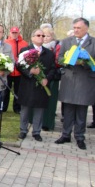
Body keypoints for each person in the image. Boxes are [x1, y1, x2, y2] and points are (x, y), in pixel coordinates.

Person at [55, 17, 95, 150]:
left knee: (81, 111)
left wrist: (85, 63)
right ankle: (65, 135)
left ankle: (80, 137)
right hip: (69, 80)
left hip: (85, 81)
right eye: (75, 28)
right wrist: (68, 60)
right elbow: (59, 58)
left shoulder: (93, 43)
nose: (76, 30)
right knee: (68, 110)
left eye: (79, 28)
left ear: (86, 28)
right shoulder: (67, 42)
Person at [17, 29, 55, 141]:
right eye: (38, 35)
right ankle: (23, 130)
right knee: (25, 109)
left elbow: (53, 69)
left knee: (39, 109)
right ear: (32, 37)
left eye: (43, 35)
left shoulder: (49, 53)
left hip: (42, 86)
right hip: (27, 85)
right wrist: (30, 72)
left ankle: (36, 132)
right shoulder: (25, 50)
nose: (41, 37)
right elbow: (19, 66)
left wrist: (47, 79)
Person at [3, 26, 28, 113]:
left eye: (16, 33)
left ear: (18, 33)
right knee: (6, 90)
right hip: (9, 71)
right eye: (13, 33)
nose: (14, 34)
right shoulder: (6, 42)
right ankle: (4, 107)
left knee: (18, 91)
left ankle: (17, 108)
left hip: (19, 71)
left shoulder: (24, 43)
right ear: (10, 33)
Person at [41, 26, 61, 131]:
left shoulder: (56, 47)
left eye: (48, 36)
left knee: (50, 101)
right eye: (43, 35)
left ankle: (48, 123)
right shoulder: (38, 47)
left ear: (52, 36)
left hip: (52, 77)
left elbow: (58, 62)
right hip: (40, 77)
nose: (45, 38)